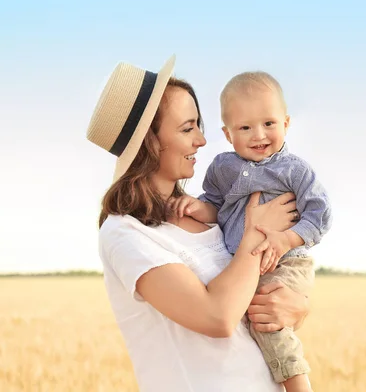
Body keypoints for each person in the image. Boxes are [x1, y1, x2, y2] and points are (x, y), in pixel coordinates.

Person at [85, 55, 311, 392]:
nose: (201, 141)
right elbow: (217, 317)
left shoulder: (210, 216)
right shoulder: (125, 233)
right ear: (150, 141)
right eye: (187, 128)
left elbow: (252, 298)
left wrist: (296, 308)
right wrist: (254, 233)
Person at [169, 71, 333, 391]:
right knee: (249, 317)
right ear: (228, 135)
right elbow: (216, 205)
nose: (259, 135)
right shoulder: (222, 168)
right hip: (247, 262)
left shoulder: (295, 171)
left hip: (286, 260)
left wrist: (287, 238)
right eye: (245, 127)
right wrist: (199, 209)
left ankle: (299, 386)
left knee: (266, 320)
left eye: (269, 124)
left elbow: (321, 213)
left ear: (286, 123)